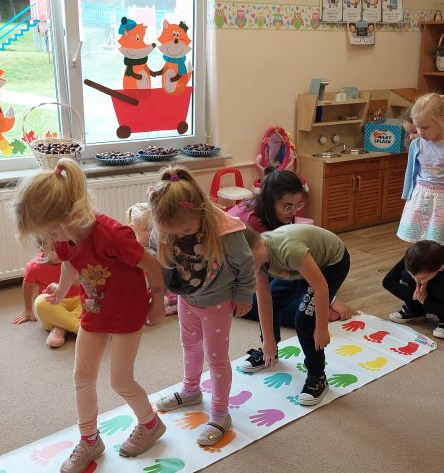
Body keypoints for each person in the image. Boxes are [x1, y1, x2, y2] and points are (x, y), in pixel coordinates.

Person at [10, 158, 167, 473]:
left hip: (127, 312)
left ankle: (151, 424)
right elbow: (70, 263)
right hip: (94, 309)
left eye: (48, 231)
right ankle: (89, 440)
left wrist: (157, 302)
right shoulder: (64, 237)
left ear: (67, 216)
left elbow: (151, 265)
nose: (48, 240)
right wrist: (61, 289)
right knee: (82, 377)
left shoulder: (112, 234)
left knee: (120, 380)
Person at [148, 166, 255, 446]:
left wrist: (244, 296)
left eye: (185, 230)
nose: (179, 234)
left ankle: (220, 412)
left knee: (216, 357)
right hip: (187, 297)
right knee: (189, 344)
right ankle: (191, 389)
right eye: (171, 231)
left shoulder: (225, 229)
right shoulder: (164, 223)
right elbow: (154, 253)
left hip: (216, 301)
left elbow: (246, 264)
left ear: (199, 212)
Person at [229, 168, 354, 347]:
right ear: (271, 201)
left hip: (274, 263)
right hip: (236, 275)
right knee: (249, 304)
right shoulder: (255, 225)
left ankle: (313, 307)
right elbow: (264, 284)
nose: (293, 212)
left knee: (295, 306)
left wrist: (326, 297)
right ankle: (312, 309)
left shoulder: (279, 220)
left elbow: (293, 264)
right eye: (287, 206)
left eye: (297, 205)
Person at [242, 224, 350, 406]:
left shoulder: (288, 249)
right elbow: (265, 298)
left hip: (331, 264)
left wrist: (321, 328)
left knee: (304, 320)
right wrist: (268, 340)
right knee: (273, 300)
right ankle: (271, 352)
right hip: (298, 266)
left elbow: (321, 287)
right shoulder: (257, 260)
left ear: (252, 250)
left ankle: (318, 376)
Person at [397, 93, 444, 248]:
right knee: (418, 243)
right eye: (417, 127)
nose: (420, 132)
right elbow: (410, 172)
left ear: (442, 120)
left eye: (425, 127)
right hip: (420, 197)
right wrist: (407, 194)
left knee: (442, 245)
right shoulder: (416, 144)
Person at [383, 240, 444, 339]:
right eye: (413, 275)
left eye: (422, 278)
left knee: (441, 282)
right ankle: (415, 310)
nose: (417, 280)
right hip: (425, 291)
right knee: (405, 274)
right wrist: (413, 296)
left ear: (440, 268)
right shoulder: (413, 257)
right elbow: (387, 281)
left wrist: (426, 302)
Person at [12, 238, 81, 347]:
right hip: (54, 303)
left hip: (78, 301)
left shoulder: (73, 259)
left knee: (94, 299)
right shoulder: (34, 266)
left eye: (63, 247)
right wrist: (28, 310)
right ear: (42, 249)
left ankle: (60, 327)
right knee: (40, 302)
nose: (60, 252)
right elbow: (27, 285)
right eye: (53, 249)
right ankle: (82, 330)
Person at [125, 202, 178, 316]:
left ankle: (166, 303)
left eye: (155, 229)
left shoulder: (158, 246)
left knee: (181, 295)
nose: (153, 233)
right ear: (132, 229)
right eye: (148, 229)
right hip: (144, 290)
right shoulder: (132, 251)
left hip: (162, 290)